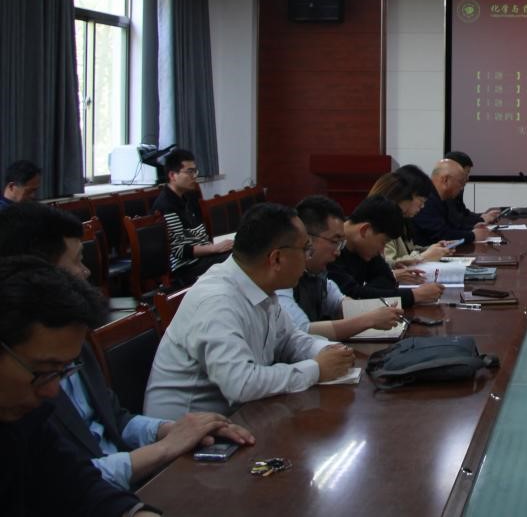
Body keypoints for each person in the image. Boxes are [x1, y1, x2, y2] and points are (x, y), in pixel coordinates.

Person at [0, 203, 254, 489]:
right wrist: (166, 448)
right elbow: (65, 485)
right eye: (77, 261)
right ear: (36, 273)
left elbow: (116, 419)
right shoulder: (20, 388)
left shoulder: (72, 339)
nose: (86, 272)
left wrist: (172, 430)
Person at [143, 202, 356, 418]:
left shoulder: (260, 285)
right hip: (187, 431)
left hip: (240, 418)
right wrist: (316, 369)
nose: (308, 257)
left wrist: (329, 351)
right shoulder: (218, 301)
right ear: (276, 259)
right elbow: (241, 384)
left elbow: (289, 340)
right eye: (305, 249)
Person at [0, 255, 161, 516]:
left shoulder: (26, 418)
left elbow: (76, 485)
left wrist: (134, 512)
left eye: (62, 372)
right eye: (43, 372)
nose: (53, 391)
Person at [277, 195, 404, 340]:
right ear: (307, 239)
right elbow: (300, 331)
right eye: (335, 241)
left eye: (341, 243)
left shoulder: (318, 275)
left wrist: (380, 312)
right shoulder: (281, 279)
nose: (338, 252)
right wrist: (369, 320)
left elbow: (343, 304)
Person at [329, 195, 443, 308]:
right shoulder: (330, 250)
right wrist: (414, 296)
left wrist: (365, 293)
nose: (382, 250)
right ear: (365, 230)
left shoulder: (363, 247)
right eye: (383, 242)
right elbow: (351, 298)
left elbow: (387, 279)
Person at [152, 148, 230, 286]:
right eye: (189, 172)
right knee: (235, 262)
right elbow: (180, 250)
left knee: (241, 254)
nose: (194, 176)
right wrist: (214, 248)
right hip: (186, 267)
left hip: (204, 256)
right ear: (172, 175)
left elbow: (200, 234)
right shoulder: (166, 205)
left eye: (195, 171)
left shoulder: (190, 196)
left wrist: (215, 247)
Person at [367, 172, 449, 268]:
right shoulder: (381, 221)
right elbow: (387, 264)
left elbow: (408, 250)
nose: (422, 206)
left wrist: (431, 250)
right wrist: (424, 256)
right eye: (421, 201)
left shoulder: (401, 220)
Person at [411, 159, 484, 246]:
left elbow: (452, 227)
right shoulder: (426, 198)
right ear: (445, 180)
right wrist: (473, 235)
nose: (461, 188)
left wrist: (471, 229)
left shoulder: (444, 198)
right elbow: (440, 235)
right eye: (460, 183)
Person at [443, 151, 500, 226]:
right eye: (466, 173)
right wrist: (481, 219)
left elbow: (463, 213)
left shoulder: (457, 188)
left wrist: (483, 216)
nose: (467, 178)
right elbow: (455, 222)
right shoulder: (442, 192)